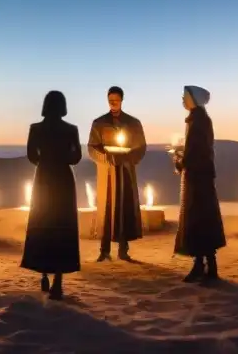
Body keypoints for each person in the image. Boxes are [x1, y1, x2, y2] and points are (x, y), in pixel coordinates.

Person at [20, 90, 82, 300]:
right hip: (63, 179)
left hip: (44, 178)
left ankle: (44, 271)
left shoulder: (35, 129)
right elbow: (76, 158)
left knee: (43, 221)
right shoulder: (71, 129)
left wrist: (45, 161)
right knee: (62, 225)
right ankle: (58, 280)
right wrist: (61, 158)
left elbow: (31, 155)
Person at [87, 86, 147, 261]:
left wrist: (127, 157)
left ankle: (123, 248)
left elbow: (141, 147)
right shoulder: (99, 123)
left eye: (116, 100)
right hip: (107, 173)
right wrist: (106, 158)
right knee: (106, 208)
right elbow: (92, 148)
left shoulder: (133, 123)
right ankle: (104, 250)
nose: (113, 103)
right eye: (110, 100)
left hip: (125, 172)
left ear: (121, 100)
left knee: (124, 207)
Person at [173, 85, 226, 283]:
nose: (182, 99)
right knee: (200, 218)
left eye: (185, 96)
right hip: (199, 175)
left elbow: (196, 151)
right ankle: (203, 265)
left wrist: (181, 161)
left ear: (194, 99)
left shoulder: (199, 120)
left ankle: (205, 266)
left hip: (198, 177)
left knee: (199, 218)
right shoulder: (198, 119)